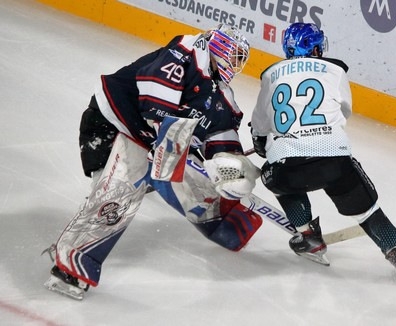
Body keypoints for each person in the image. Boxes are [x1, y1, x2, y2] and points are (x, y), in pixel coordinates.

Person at [44, 24, 264, 300]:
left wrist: (232, 167)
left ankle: (227, 225)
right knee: (120, 192)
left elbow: (222, 142)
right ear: (218, 45)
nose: (236, 63)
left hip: (157, 144)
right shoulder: (189, 50)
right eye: (234, 55)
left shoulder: (223, 99)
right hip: (116, 123)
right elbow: (155, 97)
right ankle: (72, 265)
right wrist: (166, 141)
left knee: (198, 181)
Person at [250, 22, 396, 285]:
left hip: (289, 166)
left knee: (273, 176)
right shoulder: (335, 69)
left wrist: (265, 145)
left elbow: (260, 128)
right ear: (316, 48)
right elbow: (344, 111)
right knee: (367, 212)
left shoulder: (270, 74)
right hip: (334, 160)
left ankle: (308, 235)